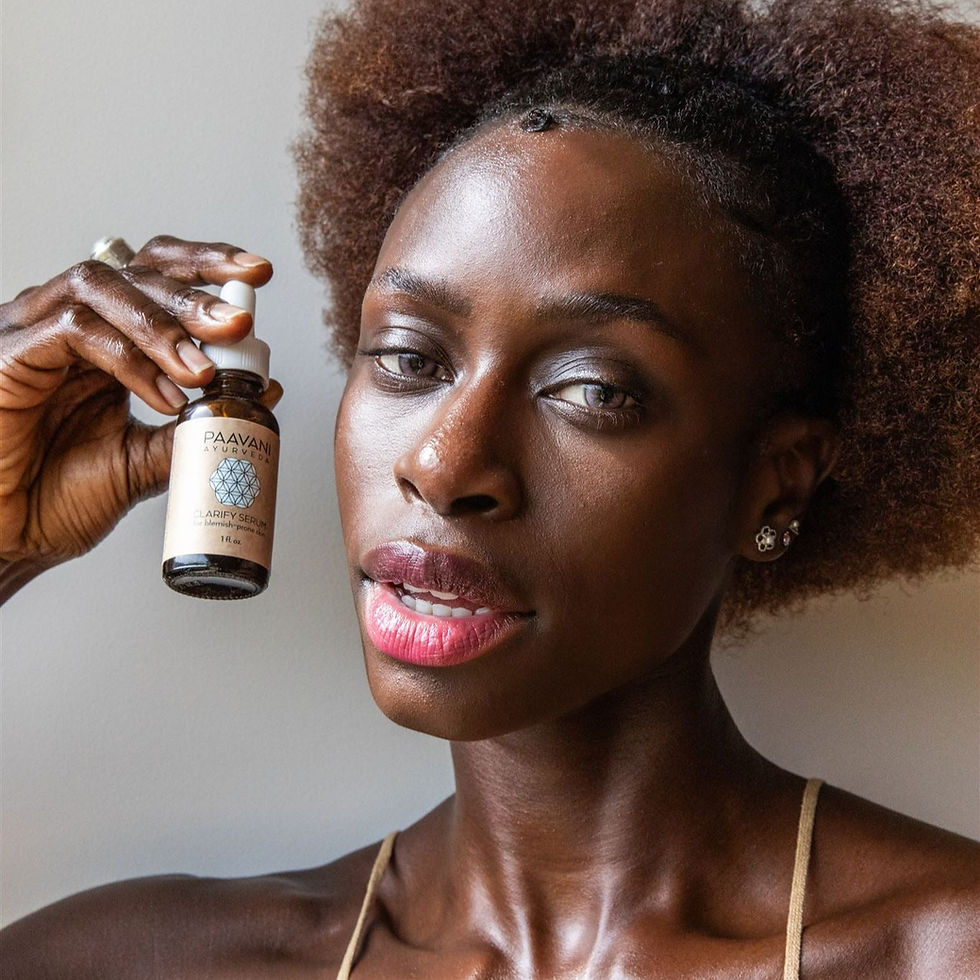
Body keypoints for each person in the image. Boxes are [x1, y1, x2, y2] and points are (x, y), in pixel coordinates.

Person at [1, 0, 977, 975]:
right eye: (407, 357)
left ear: (776, 483)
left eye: (590, 388)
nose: (442, 463)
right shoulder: (140, 959)